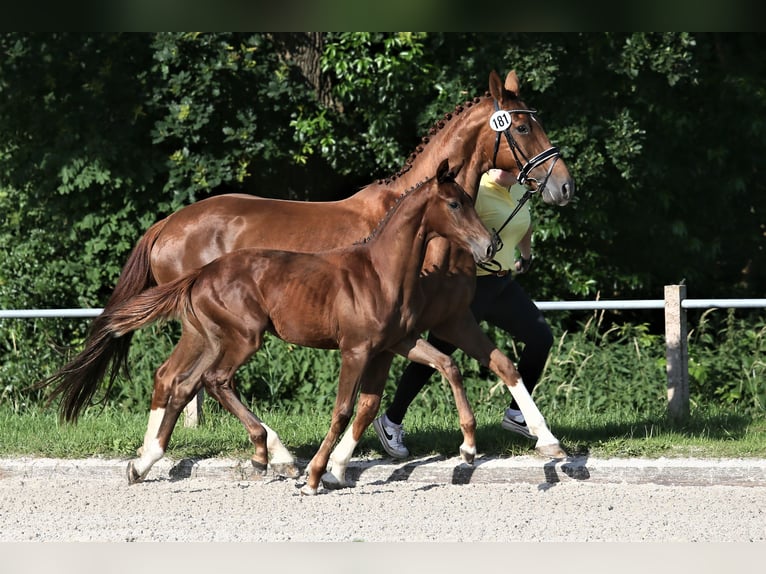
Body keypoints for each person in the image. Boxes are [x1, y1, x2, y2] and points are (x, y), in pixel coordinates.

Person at [373, 168, 554, 458]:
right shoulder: (476, 188)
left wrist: (526, 255)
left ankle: (517, 414)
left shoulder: (521, 190)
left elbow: (524, 225)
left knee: (541, 337)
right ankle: (391, 420)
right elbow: (450, 222)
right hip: (470, 284)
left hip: (502, 283)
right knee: (439, 350)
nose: (514, 171)